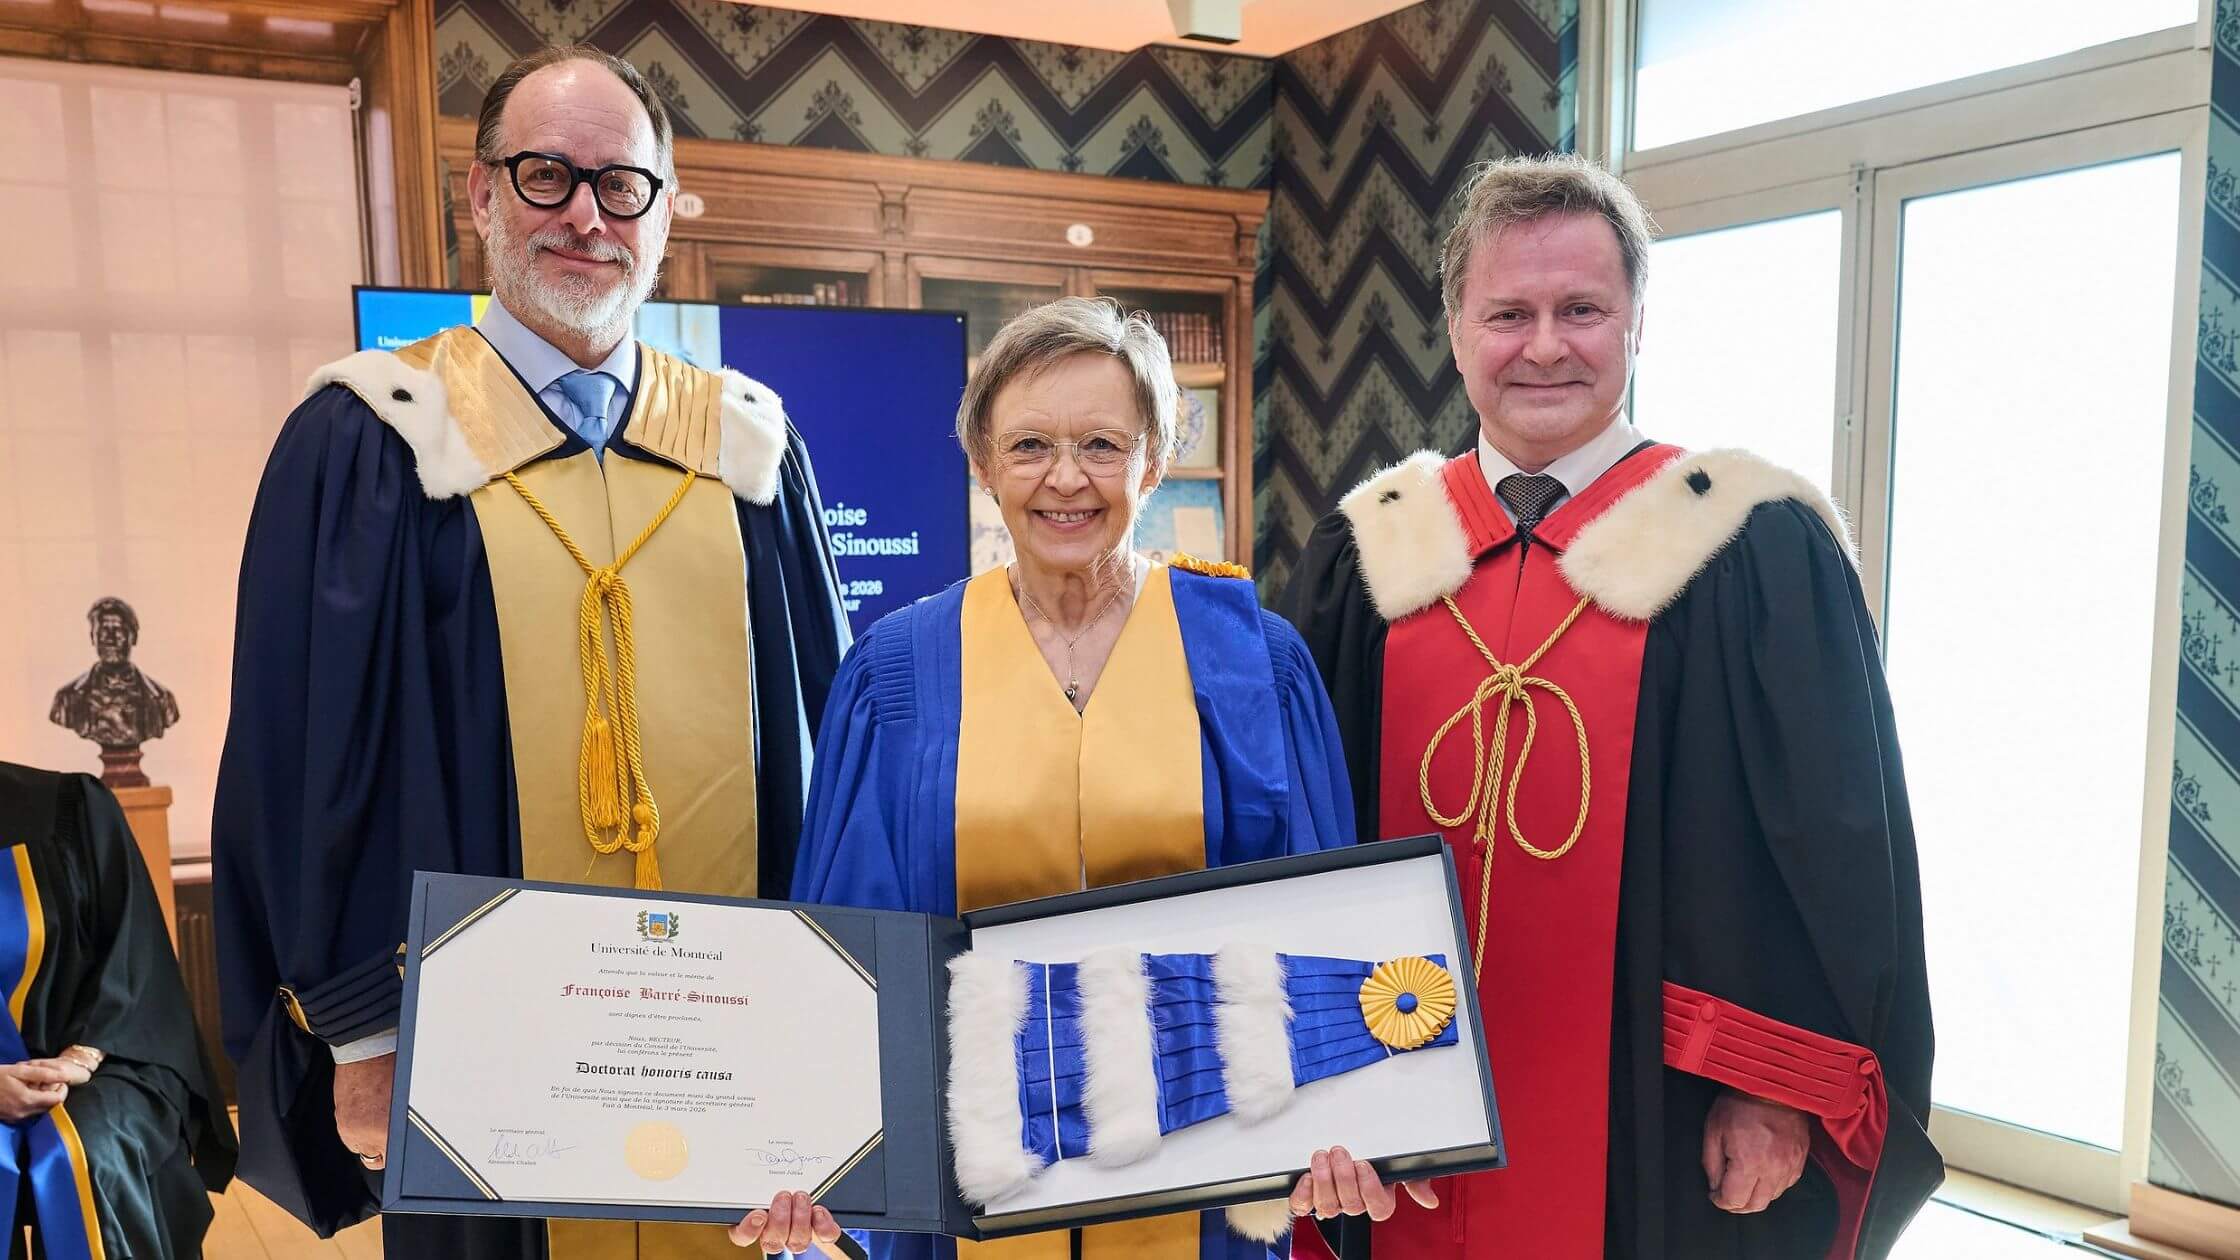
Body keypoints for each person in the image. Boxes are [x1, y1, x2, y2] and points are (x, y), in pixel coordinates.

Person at [212, 45, 850, 1259]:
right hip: (477, 1054)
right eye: (545, 174)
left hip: (725, 1039)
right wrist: (360, 1037)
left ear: (663, 212)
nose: (583, 218)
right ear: (480, 196)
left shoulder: (747, 451)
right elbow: (302, 768)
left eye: (621, 186)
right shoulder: (372, 439)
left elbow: (826, 754)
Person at [1282, 154, 1940, 1259]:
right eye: (1508, 313)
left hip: (1656, 1115)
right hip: (1386, 1108)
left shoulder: (1748, 544)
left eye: (1580, 309)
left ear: (1636, 324)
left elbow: (1832, 852)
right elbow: (1294, 834)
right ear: (1454, 330)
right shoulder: (1368, 551)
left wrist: (1771, 1088)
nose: (1544, 345)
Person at [791, 297, 1356, 1260]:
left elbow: (1324, 924)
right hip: (968, 1180)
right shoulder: (900, 672)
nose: (1065, 480)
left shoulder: (1253, 663)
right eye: (1027, 447)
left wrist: (1353, 1121)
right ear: (980, 465)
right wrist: (811, 1149)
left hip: (1204, 1172)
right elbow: (848, 947)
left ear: (1155, 460)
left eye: (1102, 444)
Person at [0, 760, 236, 1258]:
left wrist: (80, 1056)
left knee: (91, 1152)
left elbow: (135, 957)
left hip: (96, 1057)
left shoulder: (65, 807)